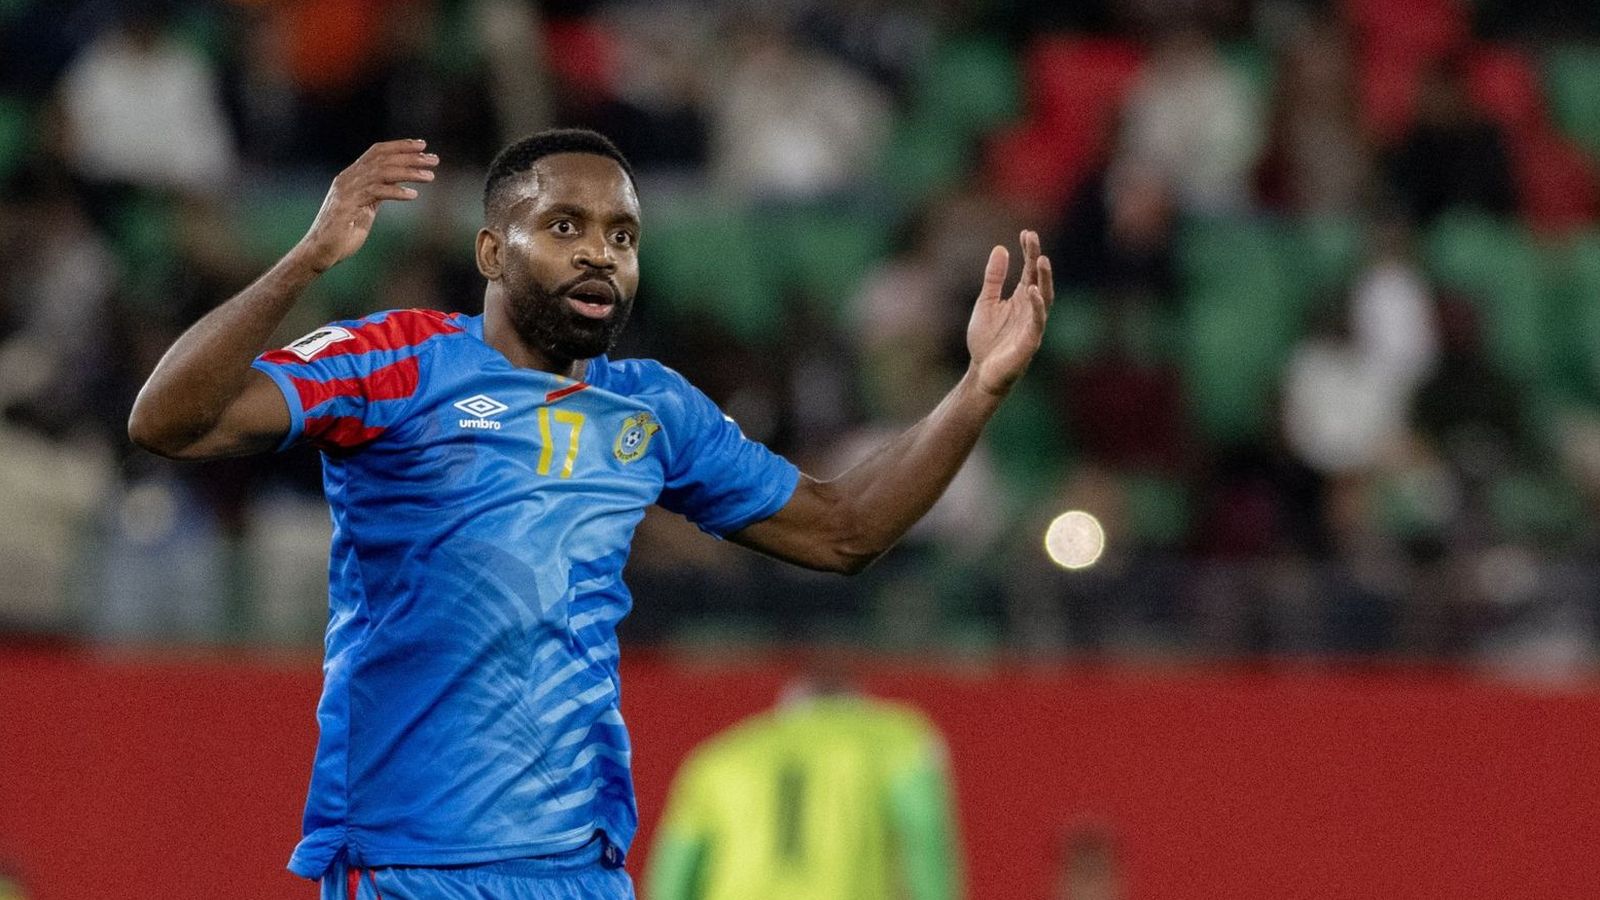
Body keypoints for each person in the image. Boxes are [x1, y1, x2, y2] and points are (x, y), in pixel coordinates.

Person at [126, 129, 1053, 899]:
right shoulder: (403, 360)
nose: (598, 251)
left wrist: (976, 390)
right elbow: (167, 419)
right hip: (411, 859)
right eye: (563, 225)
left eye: (622, 234)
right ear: (492, 251)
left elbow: (843, 530)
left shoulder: (652, 409)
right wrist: (308, 259)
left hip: (581, 868)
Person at [645, 677, 961, 900]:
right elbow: (925, 837)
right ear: (857, 702)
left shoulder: (719, 758)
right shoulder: (895, 738)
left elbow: (672, 877)